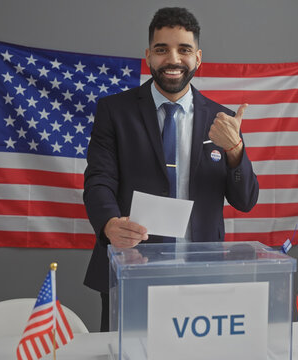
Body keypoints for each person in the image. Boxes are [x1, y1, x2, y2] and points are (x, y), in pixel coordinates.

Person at [82, 7, 259, 331]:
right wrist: (108, 222)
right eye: (162, 49)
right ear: (148, 55)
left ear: (198, 57)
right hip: (131, 268)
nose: (173, 59)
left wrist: (235, 150)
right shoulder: (114, 110)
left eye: (184, 50)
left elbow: (245, 200)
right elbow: (99, 179)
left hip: (201, 275)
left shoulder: (223, 120)